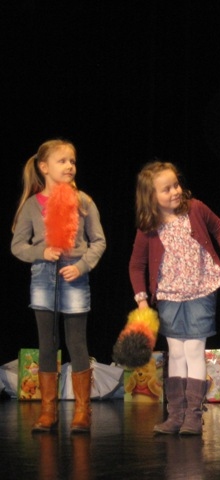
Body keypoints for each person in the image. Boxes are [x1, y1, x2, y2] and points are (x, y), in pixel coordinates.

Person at [129, 161, 220, 436]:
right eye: (166, 189)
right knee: (176, 353)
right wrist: (141, 299)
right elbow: (136, 265)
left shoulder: (195, 209)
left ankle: (193, 416)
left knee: (194, 351)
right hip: (169, 296)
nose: (175, 191)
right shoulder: (149, 226)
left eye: (176, 185)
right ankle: (175, 415)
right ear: (151, 196)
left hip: (201, 290)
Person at [11, 139, 107, 434]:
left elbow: (98, 241)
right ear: (44, 167)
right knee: (47, 343)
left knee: (76, 342)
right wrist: (41, 252)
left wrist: (81, 265)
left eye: (72, 161)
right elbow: (18, 245)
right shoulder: (32, 205)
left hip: (74, 274)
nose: (69, 166)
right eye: (62, 161)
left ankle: (82, 411)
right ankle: (48, 410)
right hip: (43, 275)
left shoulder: (83, 201)